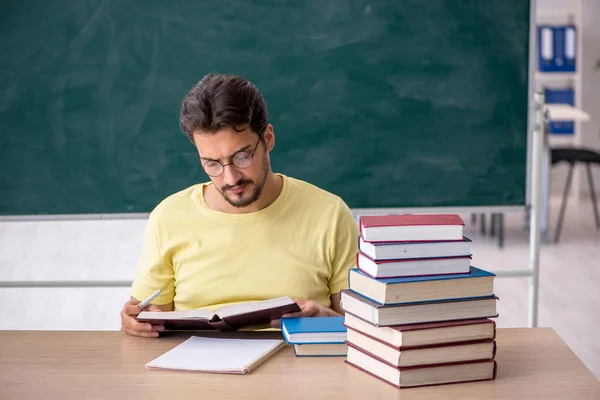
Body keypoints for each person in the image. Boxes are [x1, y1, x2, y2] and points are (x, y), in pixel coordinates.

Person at [120, 73, 358, 338]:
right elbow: (151, 324)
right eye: (212, 163)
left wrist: (323, 318)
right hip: (196, 371)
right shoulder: (168, 217)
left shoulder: (330, 214)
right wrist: (137, 324)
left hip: (298, 368)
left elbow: (362, 329)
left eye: (242, 156)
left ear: (267, 138)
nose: (230, 178)